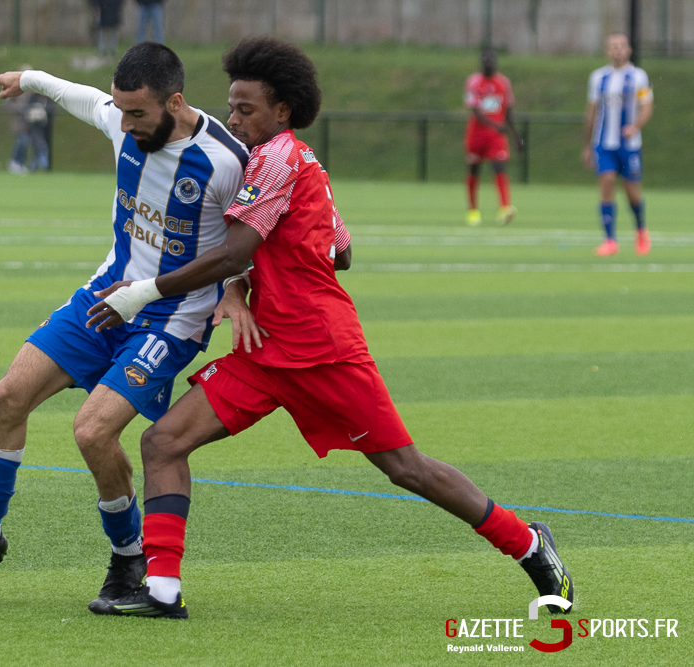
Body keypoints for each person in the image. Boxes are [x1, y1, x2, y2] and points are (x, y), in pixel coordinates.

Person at [85, 36, 574, 619]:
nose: (233, 118)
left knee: (407, 469)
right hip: (264, 350)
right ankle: (161, 591)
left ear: (282, 112)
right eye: (233, 106)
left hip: (324, 351)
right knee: (163, 441)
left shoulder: (277, 159)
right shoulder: (296, 162)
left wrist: (145, 293)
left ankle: (528, 543)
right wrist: (248, 282)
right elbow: (341, 249)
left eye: (246, 109)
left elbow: (235, 248)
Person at [0, 42, 248, 609]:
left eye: (138, 113)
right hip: (104, 297)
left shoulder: (225, 161)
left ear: (176, 101)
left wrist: (236, 291)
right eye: (122, 111)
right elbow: (82, 96)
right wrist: (31, 76)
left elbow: (251, 242)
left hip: (171, 319)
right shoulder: (122, 119)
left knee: (93, 432)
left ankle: (127, 557)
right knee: (8, 396)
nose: (125, 123)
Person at [582, 33, 653, 257]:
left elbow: (647, 106)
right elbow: (592, 111)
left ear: (629, 50)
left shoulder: (639, 76)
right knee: (607, 183)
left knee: (632, 192)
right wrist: (587, 145)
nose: (617, 50)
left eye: (621, 46)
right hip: (603, 143)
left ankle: (641, 230)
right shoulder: (597, 78)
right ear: (607, 51)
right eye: (612, 46)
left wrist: (635, 126)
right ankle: (610, 240)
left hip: (629, 145)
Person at [463, 48, 523, 226]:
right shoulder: (474, 82)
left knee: (500, 167)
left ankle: (505, 208)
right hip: (477, 134)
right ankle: (473, 211)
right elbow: (475, 111)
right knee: (474, 170)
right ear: (480, 61)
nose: (488, 61)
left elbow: (508, 111)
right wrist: (495, 125)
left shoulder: (504, 83)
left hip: (496, 136)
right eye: (485, 58)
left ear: (496, 61)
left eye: (491, 58)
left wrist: (516, 135)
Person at [7, 66, 55, 174]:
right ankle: (15, 162)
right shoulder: (15, 87)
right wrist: (21, 109)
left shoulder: (31, 89)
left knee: (28, 142)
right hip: (19, 120)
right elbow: (8, 102)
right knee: (22, 141)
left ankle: (22, 163)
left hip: (30, 122)